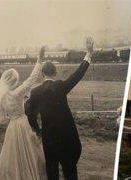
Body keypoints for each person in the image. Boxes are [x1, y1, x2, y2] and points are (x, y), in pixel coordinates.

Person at [26, 37, 94, 180]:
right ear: (55, 73)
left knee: (52, 170)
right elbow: (78, 74)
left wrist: (37, 130)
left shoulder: (35, 92)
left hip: (49, 137)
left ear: (43, 74)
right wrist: (88, 53)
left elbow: (29, 114)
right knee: (70, 171)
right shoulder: (61, 86)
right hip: (67, 136)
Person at [0, 47, 47, 180]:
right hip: (22, 123)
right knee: (30, 151)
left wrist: (10, 119)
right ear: (15, 81)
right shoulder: (18, 92)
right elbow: (32, 79)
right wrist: (39, 61)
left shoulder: (1, 97)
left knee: (13, 155)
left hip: (13, 126)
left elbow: (1, 119)